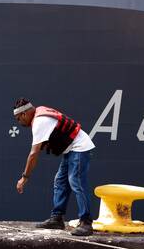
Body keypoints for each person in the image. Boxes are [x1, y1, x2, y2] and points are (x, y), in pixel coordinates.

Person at [13, 98, 96, 236]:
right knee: (60, 181)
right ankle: (57, 218)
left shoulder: (39, 122)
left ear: (24, 114)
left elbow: (33, 154)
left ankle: (86, 223)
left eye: (18, 119)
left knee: (76, 182)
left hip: (80, 148)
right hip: (71, 149)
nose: (19, 122)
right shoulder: (39, 112)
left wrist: (24, 177)